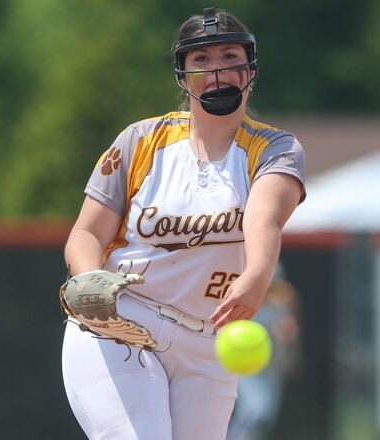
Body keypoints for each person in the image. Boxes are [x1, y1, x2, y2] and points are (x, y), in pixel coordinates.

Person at [61, 7, 306, 440]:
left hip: (210, 343)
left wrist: (257, 273)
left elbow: (264, 217)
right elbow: (86, 233)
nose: (217, 71)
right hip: (125, 322)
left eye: (229, 57)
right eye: (201, 60)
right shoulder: (140, 142)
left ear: (249, 68)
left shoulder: (274, 149)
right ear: (184, 74)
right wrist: (89, 280)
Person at [227, 263, 303, 440]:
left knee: (266, 414)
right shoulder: (242, 296)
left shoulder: (282, 300)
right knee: (256, 410)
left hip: (270, 364)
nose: (272, 286)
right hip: (243, 363)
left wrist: (287, 330)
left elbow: (288, 333)